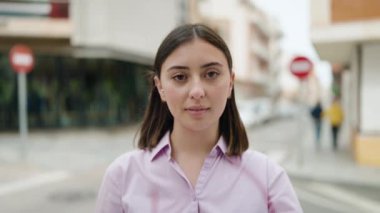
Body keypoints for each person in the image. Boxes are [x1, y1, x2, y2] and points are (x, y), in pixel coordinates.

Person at [95, 24, 302, 213]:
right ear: (160, 87)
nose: (197, 91)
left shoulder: (267, 177)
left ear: (230, 82)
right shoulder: (122, 176)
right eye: (180, 77)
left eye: (211, 74)